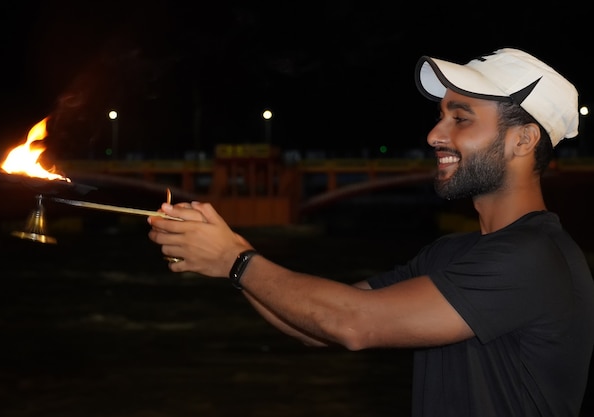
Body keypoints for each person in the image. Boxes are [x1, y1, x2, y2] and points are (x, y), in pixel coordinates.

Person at [147, 48, 594, 417]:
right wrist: (227, 253)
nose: (435, 133)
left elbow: (353, 323)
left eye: (461, 118)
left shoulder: (534, 256)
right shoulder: (451, 255)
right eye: (441, 115)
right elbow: (314, 326)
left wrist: (234, 260)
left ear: (524, 140)